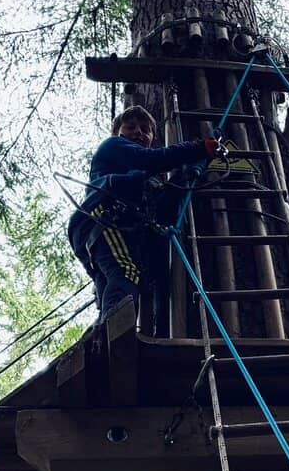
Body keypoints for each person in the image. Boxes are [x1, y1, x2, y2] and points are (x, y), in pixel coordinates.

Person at [68, 105, 216, 318]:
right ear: (117, 133)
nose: (138, 132)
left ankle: (104, 334)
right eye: (130, 127)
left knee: (115, 280)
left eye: (145, 130)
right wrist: (199, 148)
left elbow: (165, 204)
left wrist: (189, 172)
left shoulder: (148, 183)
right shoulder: (114, 146)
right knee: (127, 275)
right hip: (103, 215)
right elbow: (150, 159)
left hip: (104, 228)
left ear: (152, 138)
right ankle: (113, 332)